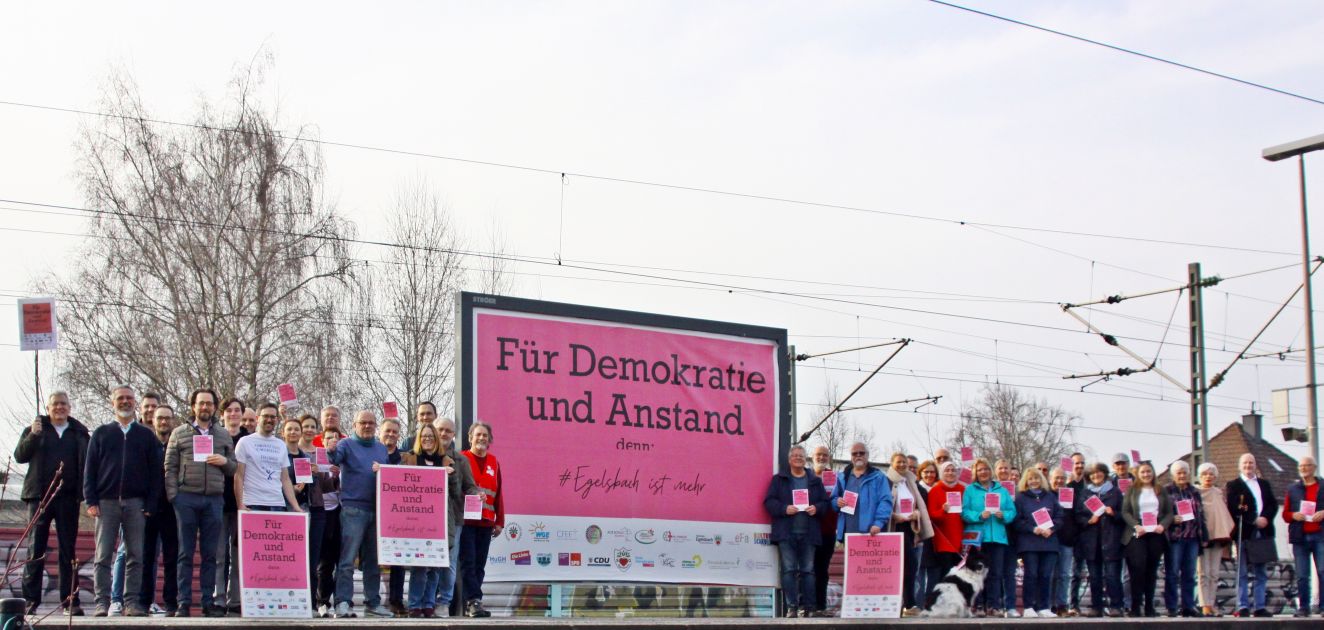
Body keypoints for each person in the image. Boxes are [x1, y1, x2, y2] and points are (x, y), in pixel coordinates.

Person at [85, 385, 161, 618]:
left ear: (135, 402)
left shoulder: (146, 435)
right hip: (106, 503)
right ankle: (102, 602)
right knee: (103, 555)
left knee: (135, 555)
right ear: (113, 402)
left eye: (129, 398)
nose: (125, 402)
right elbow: (90, 469)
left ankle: (131, 603)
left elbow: (155, 473)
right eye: (120, 398)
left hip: (136, 504)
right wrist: (90, 500)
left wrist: (150, 503)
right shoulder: (101, 433)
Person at [14, 391, 90, 616]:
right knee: (35, 549)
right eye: (55, 404)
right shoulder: (35, 429)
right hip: (40, 497)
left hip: (68, 498)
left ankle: (70, 600)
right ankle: (30, 601)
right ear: (48, 408)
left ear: (69, 407)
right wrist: (33, 435)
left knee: (68, 550)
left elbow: (88, 462)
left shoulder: (79, 433)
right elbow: (19, 456)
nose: (60, 407)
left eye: (63, 404)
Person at [165, 388, 236, 618]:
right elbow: (170, 467)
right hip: (186, 498)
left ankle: (207, 601)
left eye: (209, 403)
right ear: (193, 406)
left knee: (210, 555)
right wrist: (174, 496)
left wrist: (224, 461)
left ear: (215, 407)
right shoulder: (179, 433)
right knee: (185, 553)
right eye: (201, 403)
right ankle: (183, 602)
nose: (205, 407)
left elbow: (234, 467)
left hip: (213, 500)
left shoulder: (223, 435)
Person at [330, 410, 392, 618]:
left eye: (371, 423)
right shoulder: (346, 444)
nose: (367, 426)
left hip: (377, 510)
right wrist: (331, 449)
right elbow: (335, 458)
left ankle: (373, 603)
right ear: (354, 425)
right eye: (363, 422)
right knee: (348, 559)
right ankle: (343, 602)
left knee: (373, 560)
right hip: (353, 509)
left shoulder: (381, 448)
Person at [405, 422, 471, 618]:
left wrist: (451, 476)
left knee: (435, 566)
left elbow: (456, 493)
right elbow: (398, 482)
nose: (428, 439)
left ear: (436, 440)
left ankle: (429, 604)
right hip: (416, 520)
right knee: (419, 566)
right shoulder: (409, 458)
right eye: (424, 436)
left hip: (440, 521)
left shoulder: (446, 461)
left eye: (431, 436)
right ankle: (414, 604)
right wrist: (381, 470)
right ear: (419, 439)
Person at [109, 392, 161, 614]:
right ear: (141, 408)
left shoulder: (164, 434)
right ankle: (117, 598)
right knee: (126, 550)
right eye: (147, 406)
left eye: (154, 406)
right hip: (132, 501)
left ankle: (146, 600)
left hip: (154, 502)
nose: (150, 410)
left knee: (151, 553)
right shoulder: (131, 432)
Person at [764, 445, 830, 617]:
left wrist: (817, 508)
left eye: (801, 455)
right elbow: (769, 502)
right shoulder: (779, 479)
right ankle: (792, 608)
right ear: (789, 459)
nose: (798, 458)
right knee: (789, 570)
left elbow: (825, 503)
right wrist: (784, 508)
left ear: (805, 459)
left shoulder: (814, 480)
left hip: (809, 534)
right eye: (795, 455)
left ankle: (809, 608)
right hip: (786, 534)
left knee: (808, 571)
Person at [435, 418, 478, 617]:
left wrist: (476, 494)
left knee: (450, 562)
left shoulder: (461, 460)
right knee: (428, 561)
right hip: (426, 517)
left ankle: (444, 602)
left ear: (454, 435)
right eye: (440, 429)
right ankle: (425, 601)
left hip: (454, 518)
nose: (444, 434)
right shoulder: (420, 456)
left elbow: (470, 486)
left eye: (448, 431)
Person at [962, 458, 1016, 617]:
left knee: (996, 574)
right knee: (977, 573)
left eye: (986, 469)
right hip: (978, 538)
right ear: (975, 472)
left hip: (997, 538)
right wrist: (979, 515)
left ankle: (994, 606)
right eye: (980, 470)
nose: (983, 472)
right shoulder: (970, 490)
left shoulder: (1002, 490)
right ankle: (978, 605)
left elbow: (1012, 511)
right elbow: (964, 512)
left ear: (991, 471)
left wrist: (1004, 515)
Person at [1226, 453, 1278, 618]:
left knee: (1260, 572)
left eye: (1251, 463)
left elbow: (1273, 504)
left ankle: (1259, 606)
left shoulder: (1264, 484)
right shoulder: (1234, 485)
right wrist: (1253, 519)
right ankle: (1243, 606)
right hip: (1245, 533)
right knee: (1242, 572)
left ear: (1255, 465)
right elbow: (1234, 507)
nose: (1248, 466)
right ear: (1240, 466)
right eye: (1245, 463)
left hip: (1263, 533)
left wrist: (1265, 518)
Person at [461, 421, 504, 618]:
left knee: (479, 565)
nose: (481, 438)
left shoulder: (494, 462)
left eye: (485, 435)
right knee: (468, 563)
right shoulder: (462, 458)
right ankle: (473, 600)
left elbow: (499, 493)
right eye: (478, 434)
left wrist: (499, 521)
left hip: (486, 521)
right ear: (470, 437)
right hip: (466, 521)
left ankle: (472, 603)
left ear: (489, 439)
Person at [140, 404, 179, 615]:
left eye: (167, 418)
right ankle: (143, 601)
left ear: (173, 421)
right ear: (153, 420)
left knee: (172, 556)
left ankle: (171, 602)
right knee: (146, 556)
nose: (164, 421)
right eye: (160, 418)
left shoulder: (178, 443)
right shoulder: (145, 443)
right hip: (148, 507)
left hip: (172, 507)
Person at [282, 417, 325, 605]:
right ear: (283, 432)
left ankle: (308, 602)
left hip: (305, 510)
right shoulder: (279, 454)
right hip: (282, 509)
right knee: (287, 557)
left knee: (307, 558)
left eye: (296, 429)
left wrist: (314, 476)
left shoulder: (305, 458)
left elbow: (312, 487)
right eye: (289, 429)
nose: (293, 432)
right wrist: (289, 489)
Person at [1121, 461, 1172, 617]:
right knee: (1137, 570)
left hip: (1155, 533)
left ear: (1153, 472)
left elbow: (1169, 512)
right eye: (1142, 472)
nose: (1146, 474)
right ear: (1138, 474)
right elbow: (1125, 512)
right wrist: (1136, 525)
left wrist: (1163, 525)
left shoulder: (1160, 490)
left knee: (1151, 571)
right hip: (1138, 533)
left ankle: (1149, 606)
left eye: (1148, 471)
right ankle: (1135, 606)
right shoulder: (1132, 490)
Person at [886, 451, 932, 616]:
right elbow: (883, 504)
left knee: (910, 567)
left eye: (904, 462)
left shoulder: (910, 482)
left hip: (910, 528)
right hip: (894, 528)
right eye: (898, 462)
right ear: (892, 464)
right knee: (909, 565)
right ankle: (908, 603)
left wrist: (917, 514)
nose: (902, 465)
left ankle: (907, 604)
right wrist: (893, 516)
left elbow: (918, 504)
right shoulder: (887, 481)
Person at [1076, 462, 1124, 617]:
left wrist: (1113, 513)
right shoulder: (1085, 493)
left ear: (1105, 473)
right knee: (1094, 576)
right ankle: (1096, 607)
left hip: (1111, 540)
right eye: (1092, 474)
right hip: (1091, 541)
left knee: (1112, 575)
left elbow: (1124, 515)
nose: (1096, 475)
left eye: (1099, 472)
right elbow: (1078, 515)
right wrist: (1088, 520)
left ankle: (1116, 606)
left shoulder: (1115, 492)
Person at [234, 402, 302, 513]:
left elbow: (285, 479)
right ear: (258, 418)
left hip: (277, 504)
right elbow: (239, 475)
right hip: (252, 503)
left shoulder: (281, 445)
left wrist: (295, 506)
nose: (269, 420)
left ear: (277, 420)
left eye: (272, 417)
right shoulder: (245, 442)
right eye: (265, 416)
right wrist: (240, 504)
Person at [213, 397, 246, 614]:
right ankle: (218, 599)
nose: (233, 414)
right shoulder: (215, 436)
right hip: (218, 501)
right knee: (218, 555)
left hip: (242, 504)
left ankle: (235, 600)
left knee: (238, 555)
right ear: (222, 414)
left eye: (237, 410)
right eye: (229, 410)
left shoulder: (248, 439)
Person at [1014, 468, 1061, 618]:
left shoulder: (1051, 497)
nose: (1034, 481)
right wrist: (1032, 529)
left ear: (1042, 480)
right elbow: (1017, 521)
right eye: (1030, 479)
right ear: (1026, 481)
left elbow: (1060, 517)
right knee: (1031, 574)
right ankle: (1029, 606)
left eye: (1037, 478)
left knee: (1046, 575)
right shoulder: (1021, 498)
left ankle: (1044, 607)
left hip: (1049, 543)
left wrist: (1051, 528)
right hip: (1029, 543)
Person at [1163, 460, 1206, 617]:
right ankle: (1172, 606)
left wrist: (1204, 535)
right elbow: (1159, 513)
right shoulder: (1166, 491)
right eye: (1179, 473)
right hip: (1175, 538)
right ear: (1173, 475)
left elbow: (1201, 514)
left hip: (1193, 537)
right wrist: (1171, 519)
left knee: (1189, 574)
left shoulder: (1194, 491)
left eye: (1185, 472)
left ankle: (1188, 606)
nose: (1182, 476)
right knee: (1172, 573)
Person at [1283, 456, 1323, 618]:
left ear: (1314, 467)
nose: (1303, 468)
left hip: (1320, 535)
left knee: (1323, 571)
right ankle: (1304, 607)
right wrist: (1294, 515)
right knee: (1302, 575)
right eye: (1301, 466)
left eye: (1307, 465)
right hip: (1300, 537)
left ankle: (1322, 606)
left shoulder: (1323, 486)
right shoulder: (1292, 489)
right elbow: (1285, 514)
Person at [831, 442, 893, 541]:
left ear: (867, 455)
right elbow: (833, 499)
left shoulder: (879, 477)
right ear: (851, 457)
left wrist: (878, 523)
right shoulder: (842, 477)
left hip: (872, 533)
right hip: (848, 533)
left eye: (861, 453)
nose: (858, 455)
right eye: (854, 453)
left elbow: (885, 501)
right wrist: (837, 502)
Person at [379, 417, 410, 615]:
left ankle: (396, 600)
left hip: (398, 513)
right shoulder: (372, 454)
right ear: (380, 433)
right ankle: (373, 599)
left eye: (394, 432)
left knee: (398, 558)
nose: (391, 434)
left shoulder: (405, 458)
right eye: (387, 431)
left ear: (399, 436)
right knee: (372, 558)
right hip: (374, 510)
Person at [1196, 462, 1234, 617]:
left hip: (1218, 537)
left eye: (1211, 474)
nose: (1208, 477)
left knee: (1214, 573)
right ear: (1200, 476)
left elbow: (1223, 515)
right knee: (1203, 573)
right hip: (1203, 538)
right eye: (1205, 474)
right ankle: (1204, 604)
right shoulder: (1196, 492)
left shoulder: (1218, 493)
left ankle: (1211, 603)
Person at [924, 461, 965, 598]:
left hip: (960, 538)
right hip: (943, 540)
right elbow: (931, 516)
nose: (950, 473)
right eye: (947, 470)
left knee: (959, 575)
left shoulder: (962, 489)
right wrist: (943, 510)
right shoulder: (935, 490)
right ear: (941, 473)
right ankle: (944, 601)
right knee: (946, 574)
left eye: (953, 470)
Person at [314, 428, 343, 617]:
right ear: (322, 441)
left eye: (336, 438)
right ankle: (322, 601)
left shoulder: (344, 459)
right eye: (329, 437)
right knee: (325, 562)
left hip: (341, 512)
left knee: (341, 560)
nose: (333, 440)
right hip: (322, 511)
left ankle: (341, 601)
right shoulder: (318, 460)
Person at [809, 445, 837, 615]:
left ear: (829, 458)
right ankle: (807, 606)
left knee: (822, 570)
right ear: (812, 457)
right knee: (807, 569)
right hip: (808, 531)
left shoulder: (835, 478)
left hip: (828, 531)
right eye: (818, 455)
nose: (821, 458)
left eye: (825, 455)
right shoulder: (805, 475)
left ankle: (820, 606)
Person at [1049, 466, 1080, 617]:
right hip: (1049, 540)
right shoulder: (1046, 495)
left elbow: (1077, 516)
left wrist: (1073, 534)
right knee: (1050, 575)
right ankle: (1049, 605)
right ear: (1050, 480)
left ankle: (1062, 605)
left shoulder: (1071, 495)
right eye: (1056, 478)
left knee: (1065, 574)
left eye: (1062, 478)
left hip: (1066, 540)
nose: (1059, 481)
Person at [993, 459, 1020, 616]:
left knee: (1009, 574)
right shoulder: (990, 489)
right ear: (996, 471)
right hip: (995, 537)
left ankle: (1010, 607)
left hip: (1012, 537)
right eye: (1000, 468)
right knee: (995, 573)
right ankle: (995, 606)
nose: (1003, 471)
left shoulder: (1019, 491)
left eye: (1006, 468)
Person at [914, 459, 938, 607]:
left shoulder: (939, 489)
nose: (929, 475)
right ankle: (918, 603)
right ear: (920, 473)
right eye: (926, 472)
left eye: (932, 472)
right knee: (920, 570)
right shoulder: (916, 489)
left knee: (935, 571)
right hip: (921, 534)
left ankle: (931, 605)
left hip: (937, 536)